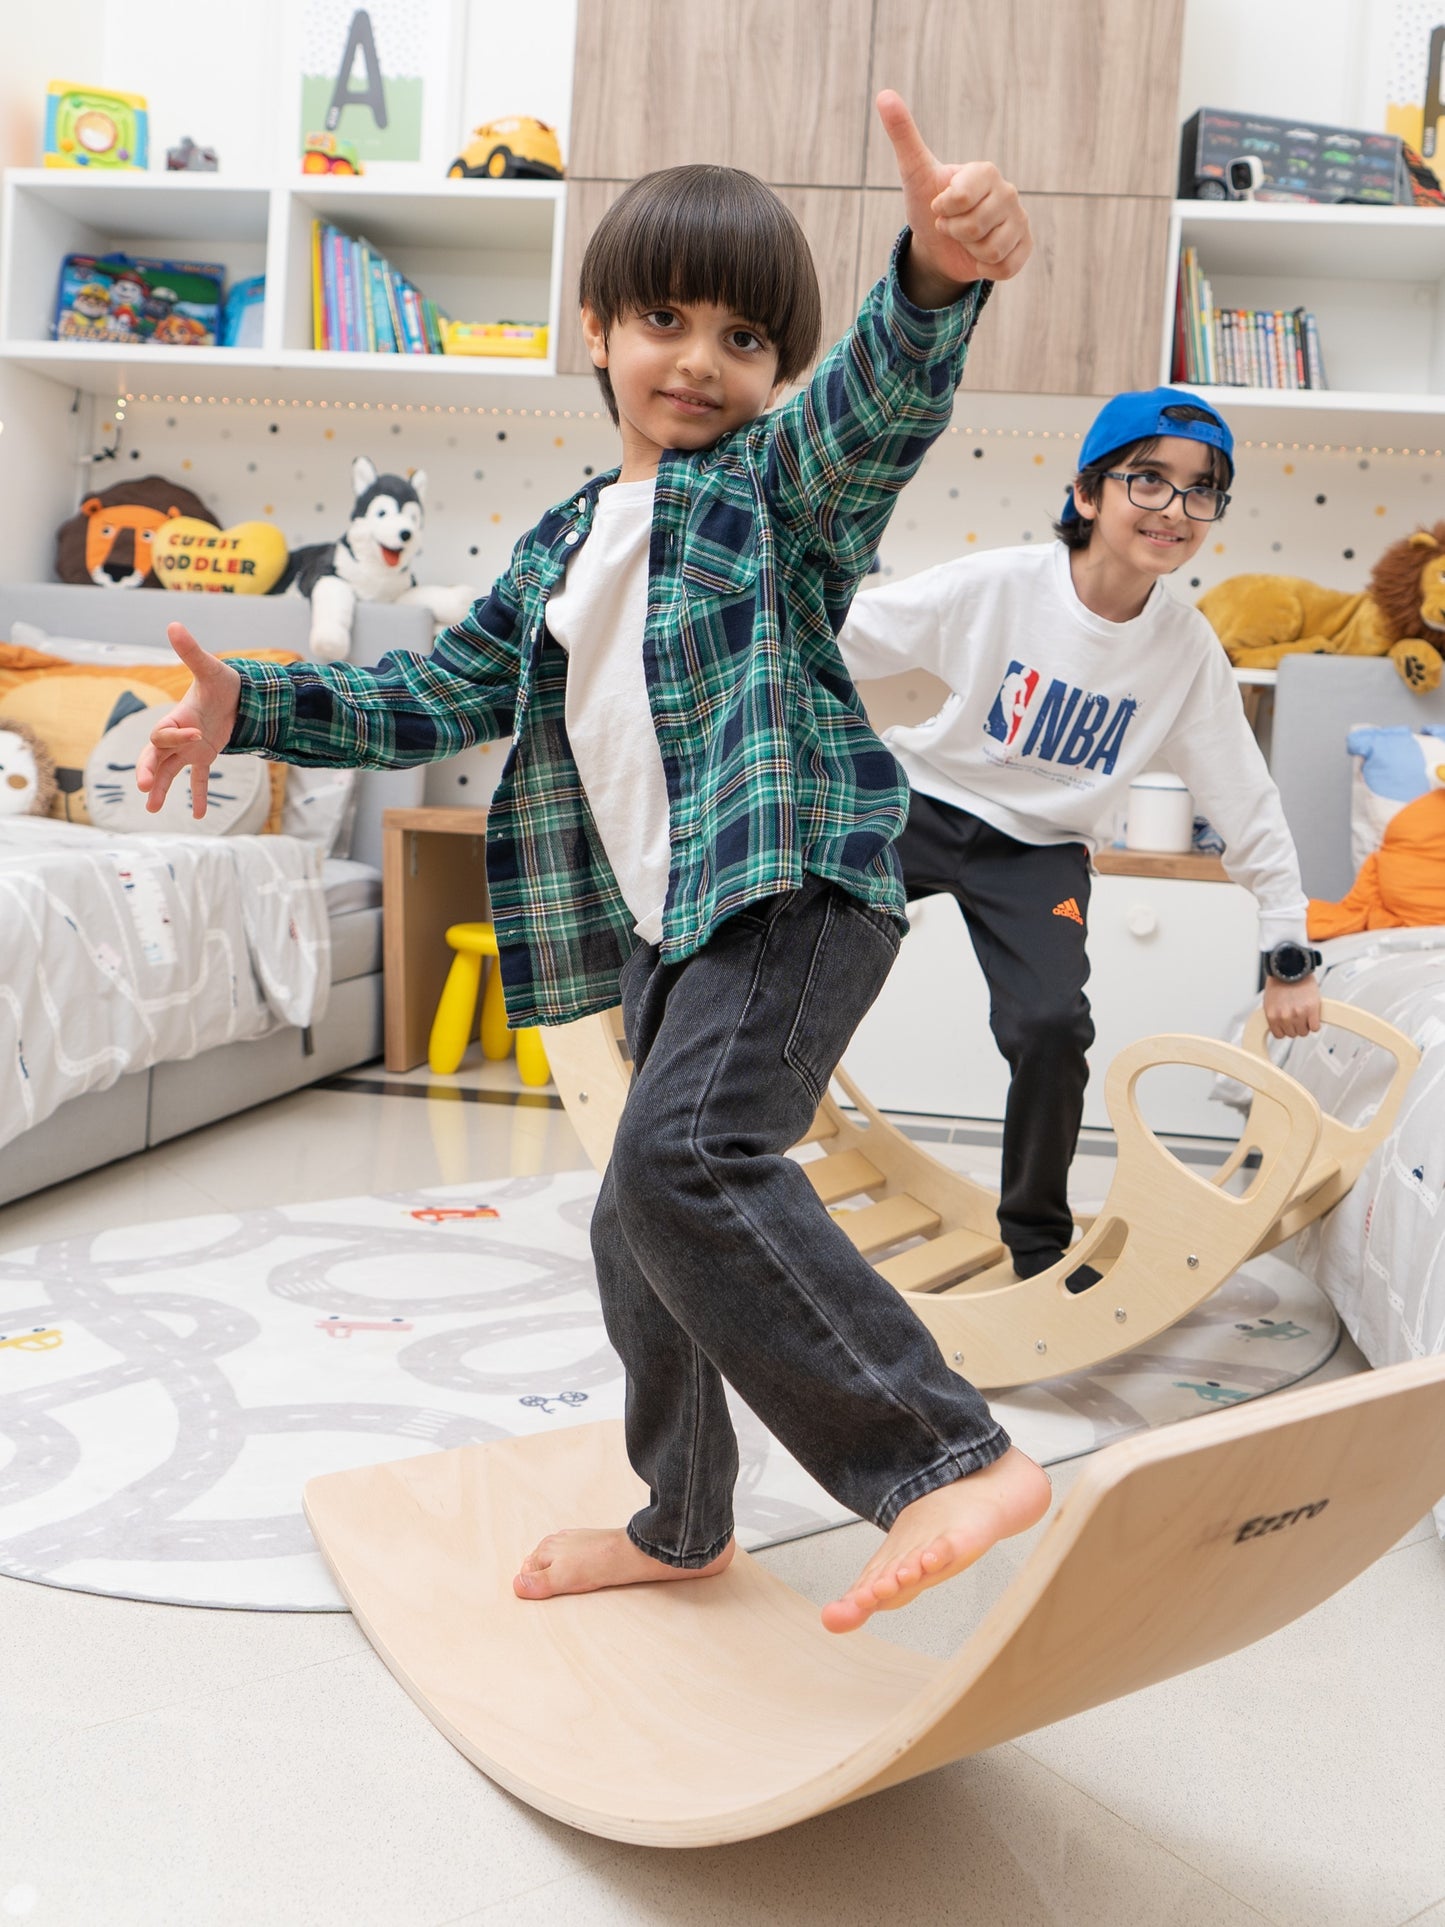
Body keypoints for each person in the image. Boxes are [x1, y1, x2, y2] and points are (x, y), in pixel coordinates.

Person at [136, 93, 1051, 1636]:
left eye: (745, 340)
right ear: (597, 327)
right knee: (639, 1214)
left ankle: (943, 1450)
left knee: (687, 1161)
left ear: (772, 374)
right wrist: (252, 704)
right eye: (665, 318)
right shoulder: (564, 544)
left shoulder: (772, 495)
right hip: (666, 922)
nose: (700, 359)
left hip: (793, 875)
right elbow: (437, 692)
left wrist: (932, 288)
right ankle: (686, 1519)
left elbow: (870, 411)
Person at [836, 387, 1322, 1282]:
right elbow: (844, 639)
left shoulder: (1185, 652)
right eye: (1147, 480)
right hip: (921, 801)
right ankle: (735, 1119)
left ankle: (1037, 1248)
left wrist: (1286, 946)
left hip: (1042, 849)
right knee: (808, 940)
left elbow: (1246, 800)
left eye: (1200, 489)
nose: (1174, 509)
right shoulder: (998, 586)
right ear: (1087, 494)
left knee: (1053, 1025)